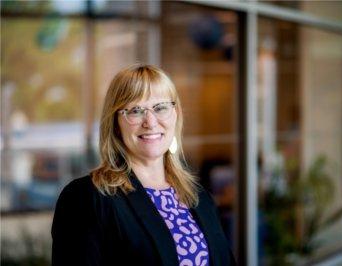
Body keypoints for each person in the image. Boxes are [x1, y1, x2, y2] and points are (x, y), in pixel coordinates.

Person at [51, 64, 236, 266]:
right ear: (115, 123)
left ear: (176, 114)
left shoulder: (199, 197)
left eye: (160, 108)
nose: (150, 121)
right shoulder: (87, 198)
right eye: (135, 110)